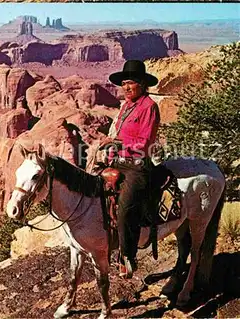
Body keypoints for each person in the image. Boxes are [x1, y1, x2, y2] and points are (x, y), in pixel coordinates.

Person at [100, 60, 161, 279]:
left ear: (143, 84)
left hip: (136, 166)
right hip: (118, 160)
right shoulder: (126, 106)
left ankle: (127, 256)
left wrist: (119, 145)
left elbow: (144, 142)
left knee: (125, 207)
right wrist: (111, 142)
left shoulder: (149, 107)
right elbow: (122, 134)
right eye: (124, 83)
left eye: (131, 83)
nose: (126, 88)